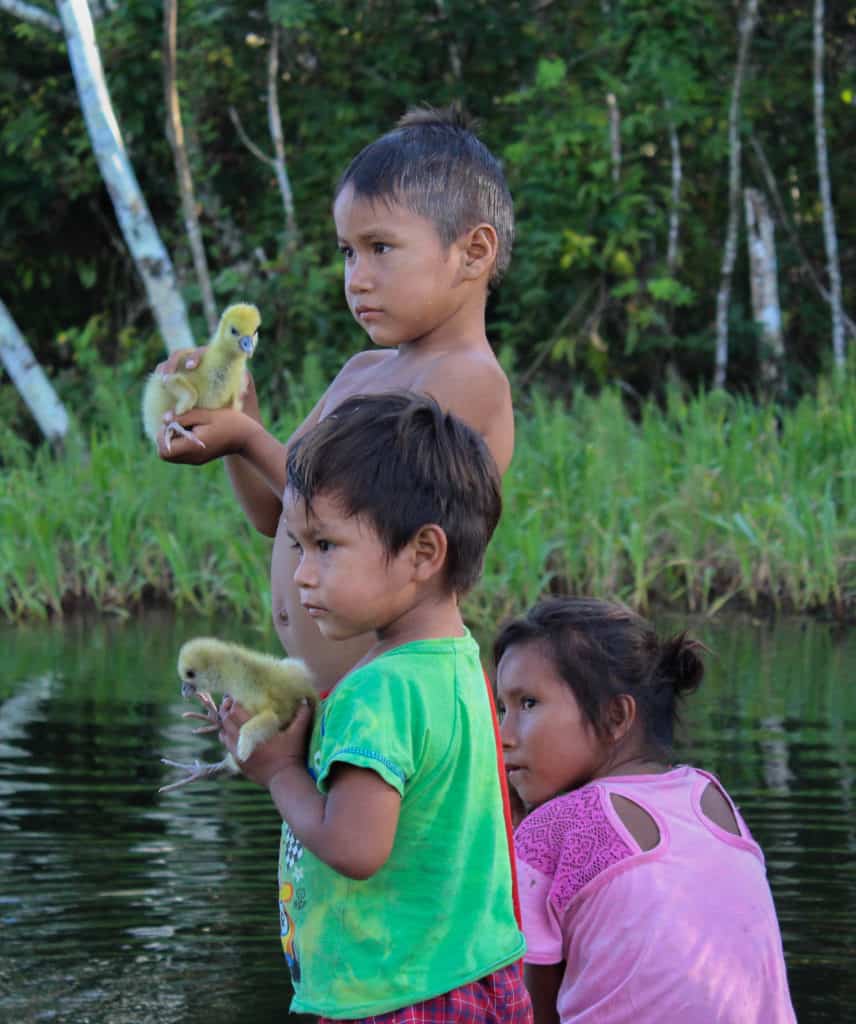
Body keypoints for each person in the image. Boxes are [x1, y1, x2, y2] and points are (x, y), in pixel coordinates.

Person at [155, 104, 515, 693]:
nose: (357, 277)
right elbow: (276, 514)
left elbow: (347, 513)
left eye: (381, 248)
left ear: (473, 253)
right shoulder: (360, 372)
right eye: (348, 252)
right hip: (339, 704)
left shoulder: (467, 379)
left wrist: (247, 438)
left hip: (399, 704)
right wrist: (234, 409)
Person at [218, 391, 531, 1022]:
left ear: (422, 553)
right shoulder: (456, 661)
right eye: (298, 547)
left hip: (395, 995)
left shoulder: (380, 690)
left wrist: (279, 771)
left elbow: (356, 847)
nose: (302, 574)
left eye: (325, 546)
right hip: (472, 975)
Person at [494, 597, 796, 1024]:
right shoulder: (709, 795)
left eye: (527, 704)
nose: (503, 735)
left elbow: (528, 1014)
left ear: (616, 716)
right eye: (502, 708)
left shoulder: (553, 827)